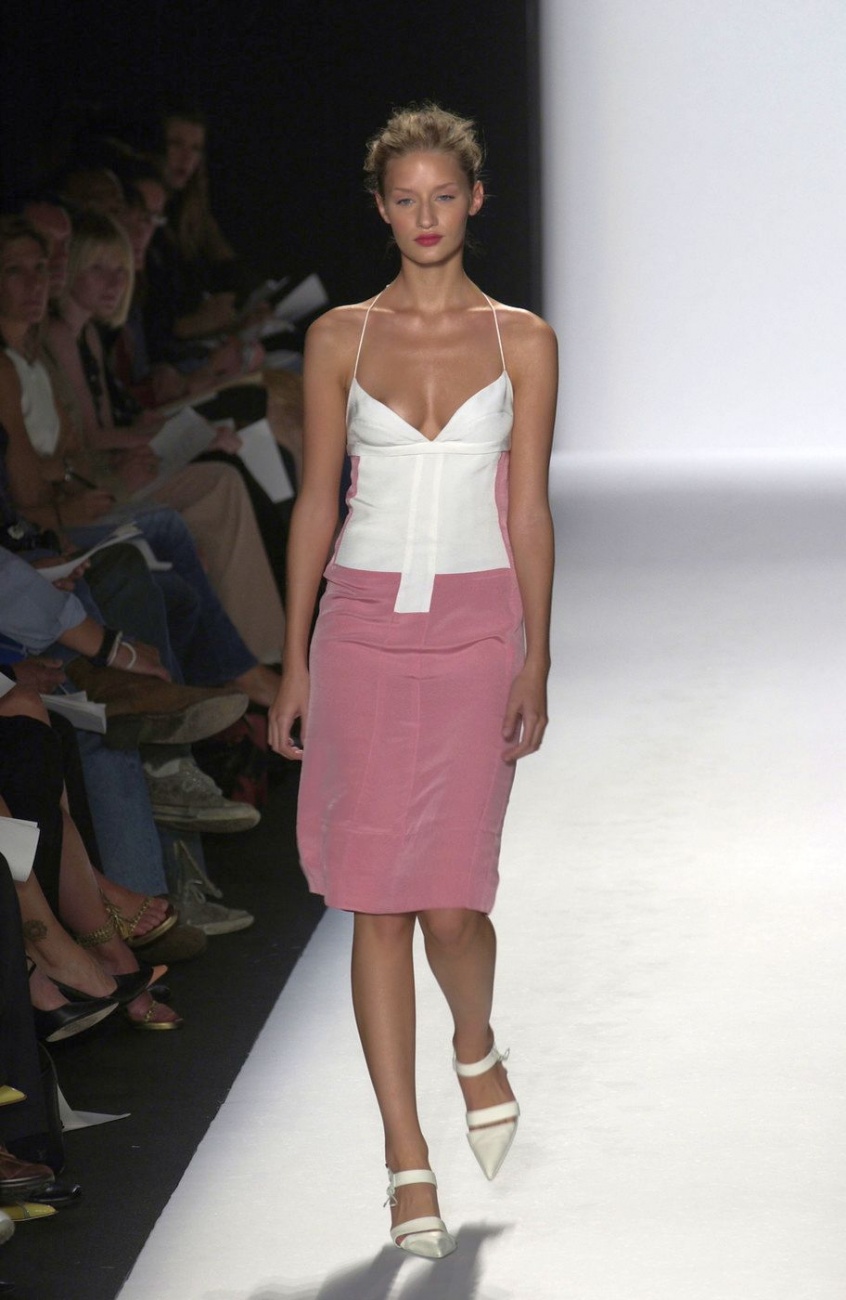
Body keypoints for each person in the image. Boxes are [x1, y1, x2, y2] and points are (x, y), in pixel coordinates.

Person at [268, 104, 556, 1259]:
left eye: (444, 196)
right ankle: (406, 1158)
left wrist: (538, 653)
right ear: (381, 208)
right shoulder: (338, 338)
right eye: (405, 198)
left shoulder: (521, 341)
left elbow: (527, 508)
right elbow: (316, 503)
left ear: (474, 200)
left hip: (479, 634)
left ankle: (474, 1042)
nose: (426, 216)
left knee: (453, 901)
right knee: (375, 899)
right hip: (361, 633)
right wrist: (293, 656)